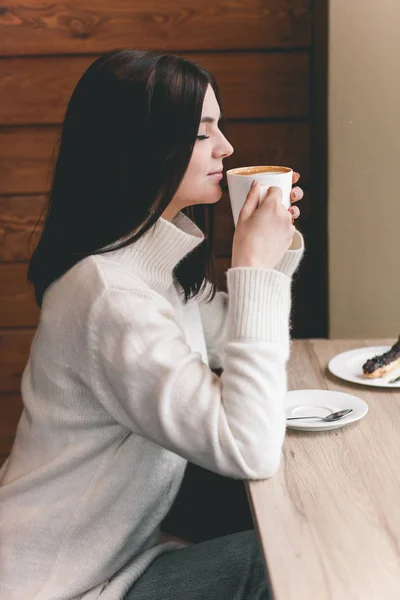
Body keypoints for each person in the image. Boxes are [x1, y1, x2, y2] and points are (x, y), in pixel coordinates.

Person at [0, 49, 304, 600]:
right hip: (58, 587)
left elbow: (239, 336)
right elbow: (248, 446)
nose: (227, 148)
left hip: (118, 563)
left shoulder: (152, 269)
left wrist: (272, 255)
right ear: (142, 148)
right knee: (286, 558)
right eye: (202, 133)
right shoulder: (111, 297)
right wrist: (253, 267)